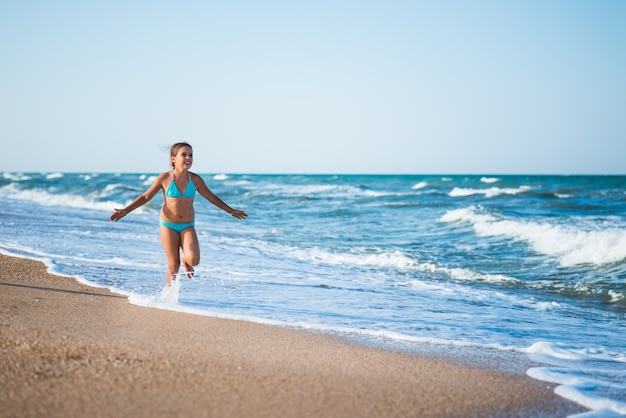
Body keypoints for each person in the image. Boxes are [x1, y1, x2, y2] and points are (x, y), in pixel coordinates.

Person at [110, 142, 247, 286]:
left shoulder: (195, 180)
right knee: (173, 265)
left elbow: (211, 197)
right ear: (173, 159)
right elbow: (145, 197)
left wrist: (230, 210)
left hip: (187, 226)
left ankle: (186, 261)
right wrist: (126, 210)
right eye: (184, 154)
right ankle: (169, 298)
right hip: (168, 226)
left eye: (191, 155)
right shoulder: (164, 178)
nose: (188, 158)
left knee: (194, 260)